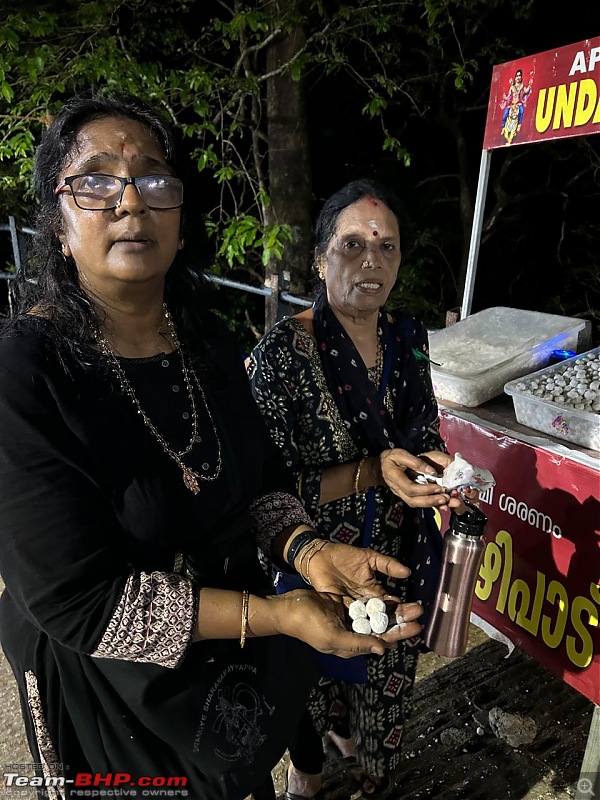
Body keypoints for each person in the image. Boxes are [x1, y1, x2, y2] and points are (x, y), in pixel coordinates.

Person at [0, 98, 425, 800]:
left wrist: (309, 552)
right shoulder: (27, 374)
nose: (131, 201)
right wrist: (277, 614)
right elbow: (80, 603)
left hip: (221, 670)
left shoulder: (206, 343)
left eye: (154, 180)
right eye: (97, 181)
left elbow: (261, 483)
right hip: (109, 692)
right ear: (57, 219)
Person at [247, 179, 469, 799]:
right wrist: (374, 471)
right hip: (315, 558)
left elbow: (422, 423)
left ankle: (374, 776)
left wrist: (435, 470)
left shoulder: (408, 337)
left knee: (386, 679)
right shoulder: (282, 353)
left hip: (395, 554)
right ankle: (310, 775)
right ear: (320, 261)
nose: (371, 262)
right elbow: (268, 487)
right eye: (352, 245)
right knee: (311, 685)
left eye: (387, 247)